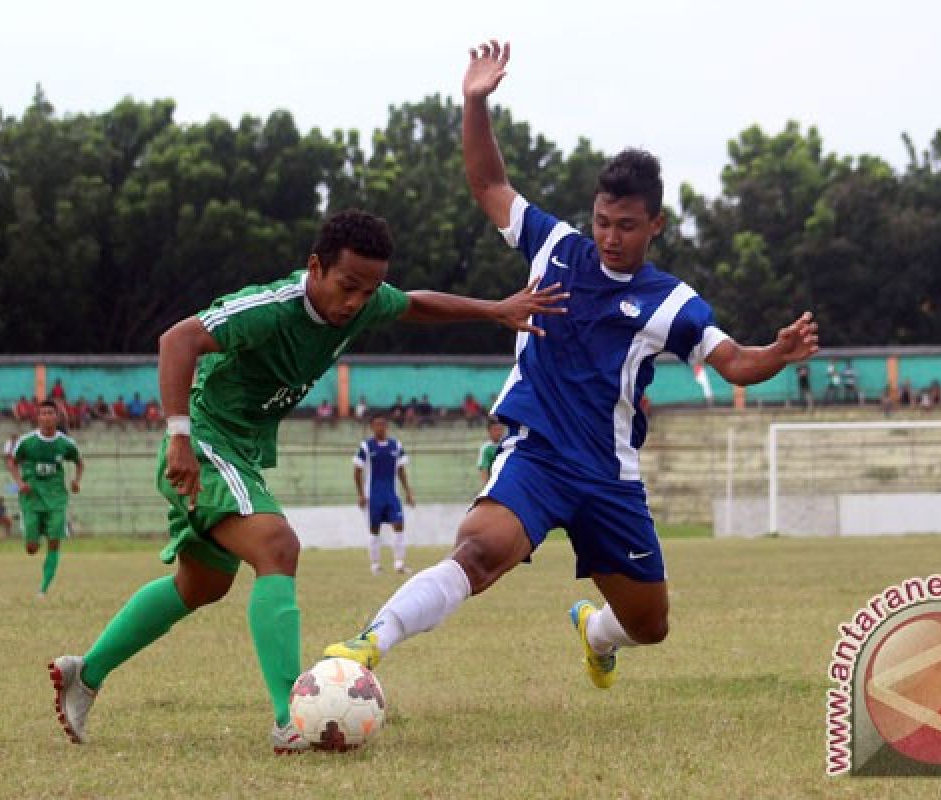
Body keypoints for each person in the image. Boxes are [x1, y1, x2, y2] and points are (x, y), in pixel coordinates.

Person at [325, 41, 819, 695]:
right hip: (538, 455)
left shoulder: (671, 303)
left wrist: (776, 356)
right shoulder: (555, 247)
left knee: (650, 624)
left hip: (610, 478)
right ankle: (367, 644)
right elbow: (488, 184)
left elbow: (733, 363)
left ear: (656, 226)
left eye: (627, 225)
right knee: (479, 550)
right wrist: (475, 102)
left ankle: (594, 633)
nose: (610, 236)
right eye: (602, 220)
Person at [45, 208, 565, 752]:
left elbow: (414, 303)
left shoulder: (362, 303)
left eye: (369, 291)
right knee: (278, 546)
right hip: (205, 440)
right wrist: (178, 437)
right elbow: (177, 340)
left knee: (202, 585)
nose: (356, 303)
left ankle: (87, 672)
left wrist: (495, 310)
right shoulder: (270, 308)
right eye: (347, 287)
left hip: (239, 451)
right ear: (315, 267)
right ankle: (288, 717)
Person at [7, 400, 83, 598]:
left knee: (54, 542)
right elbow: (12, 463)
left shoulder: (66, 444)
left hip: (56, 499)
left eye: (51, 413)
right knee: (31, 548)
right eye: (43, 413)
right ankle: (35, 534)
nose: (47, 416)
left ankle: (43, 588)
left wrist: (76, 480)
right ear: (38, 417)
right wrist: (19, 483)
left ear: (57, 417)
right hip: (32, 498)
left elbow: (79, 462)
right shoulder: (27, 442)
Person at [354, 414, 415, 575]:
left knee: (399, 525)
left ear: (386, 426)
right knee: (375, 530)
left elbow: (401, 470)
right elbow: (357, 471)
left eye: (382, 424)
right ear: (372, 427)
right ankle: (375, 565)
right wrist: (360, 494)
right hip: (373, 496)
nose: (380, 427)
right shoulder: (366, 446)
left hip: (392, 494)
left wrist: (408, 491)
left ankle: (399, 564)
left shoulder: (396, 445)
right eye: (376, 425)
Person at [476, 417, 506, 485]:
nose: (499, 432)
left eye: (500, 429)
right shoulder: (487, 448)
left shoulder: (508, 445)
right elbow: (484, 470)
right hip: (495, 485)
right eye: (495, 430)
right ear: (489, 431)